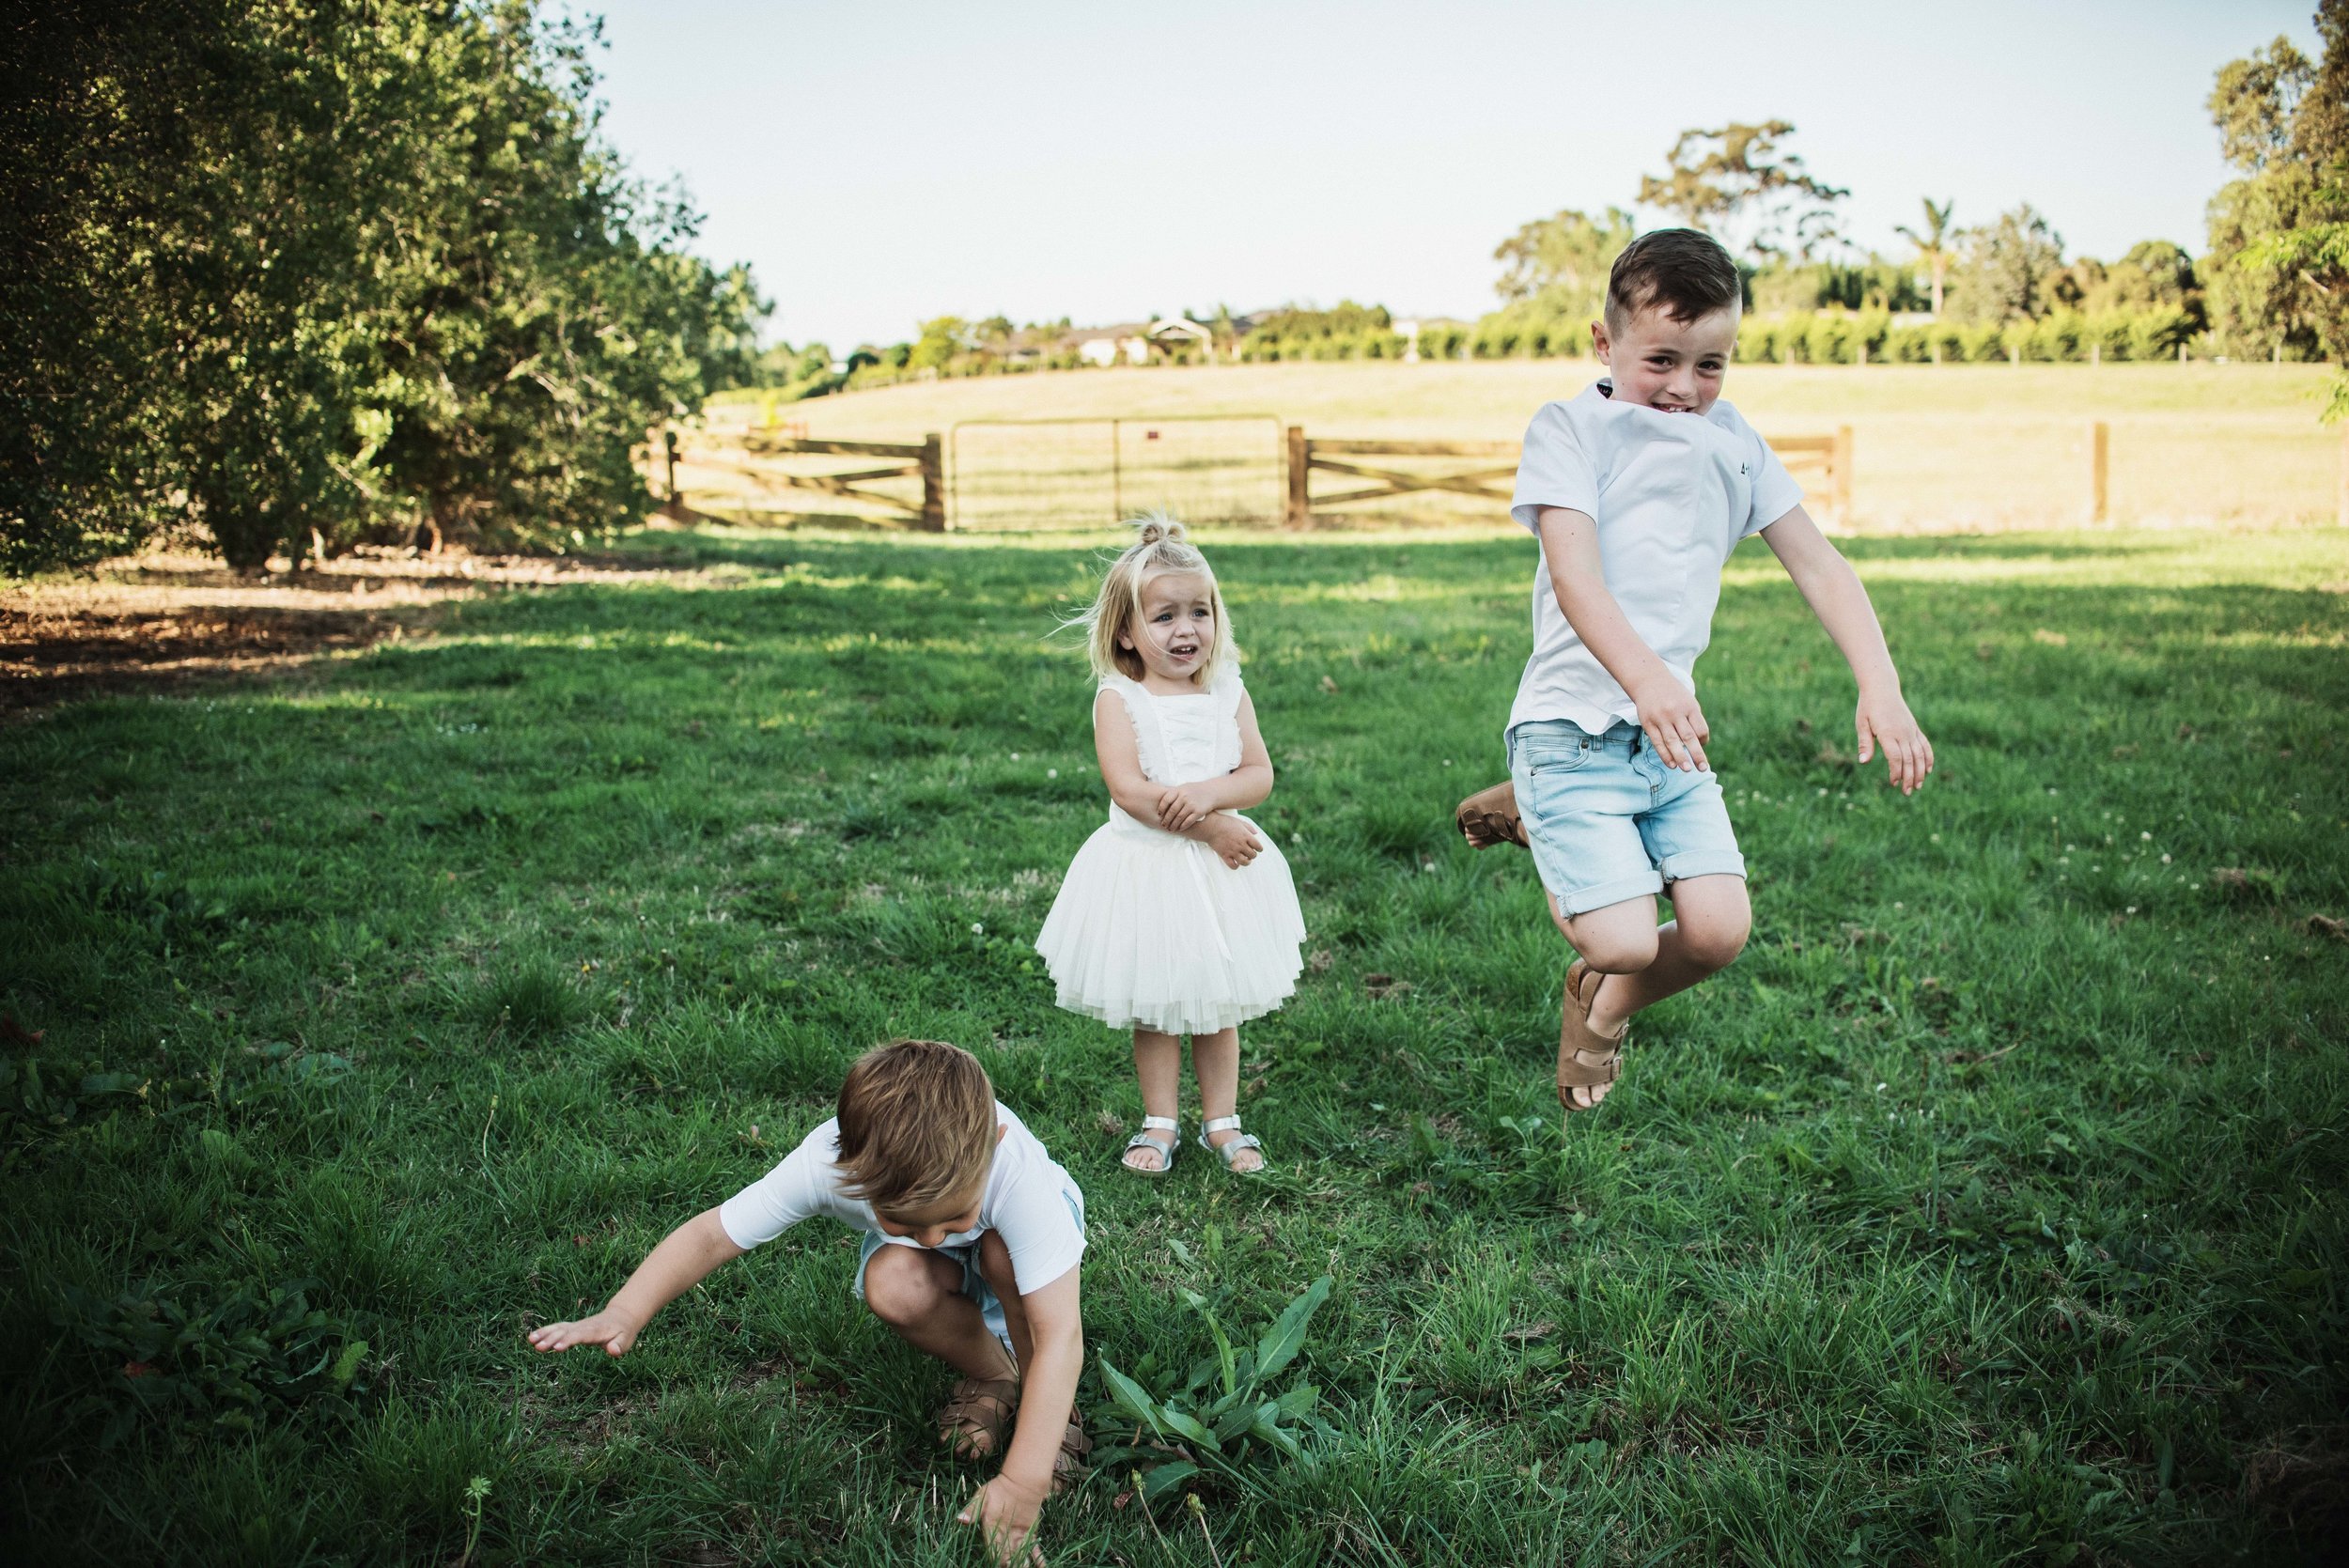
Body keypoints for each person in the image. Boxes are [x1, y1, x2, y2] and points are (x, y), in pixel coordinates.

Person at [1456, 227, 1933, 1113]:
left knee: (1718, 933)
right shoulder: (1572, 429)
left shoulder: (1735, 441)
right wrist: (1647, 680)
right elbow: (1577, 578)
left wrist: (1882, 683)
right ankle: (1541, 815)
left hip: (1664, 738)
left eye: (1710, 364)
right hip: (1570, 727)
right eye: (1662, 360)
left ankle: (1602, 1006)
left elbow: (1819, 564)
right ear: (1604, 343)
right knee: (1625, 940)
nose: (1684, 387)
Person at [527, 1039, 1085, 1565]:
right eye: (907, 1223)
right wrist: (625, 1310)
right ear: (855, 1171)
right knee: (892, 1284)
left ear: (994, 1144)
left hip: (1011, 1248)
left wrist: (1022, 1482)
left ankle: (1052, 1417)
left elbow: (1059, 1333)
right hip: (928, 1270)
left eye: (956, 1216)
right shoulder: (826, 1164)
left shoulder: (1015, 1175)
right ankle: (994, 1375)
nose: (935, 1238)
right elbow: (713, 1236)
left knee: (1002, 1261)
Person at [1035, 517, 1307, 1176]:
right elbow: (1129, 790)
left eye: (1199, 612)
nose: (1186, 629)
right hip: (1147, 872)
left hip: (1222, 877)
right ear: (1126, 630)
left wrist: (1213, 794)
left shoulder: (1226, 689)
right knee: (1155, 1005)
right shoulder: (1120, 698)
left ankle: (1223, 1122)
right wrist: (1210, 826)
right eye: (1164, 617)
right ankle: (1160, 1121)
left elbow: (1258, 774)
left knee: (1219, 1002)